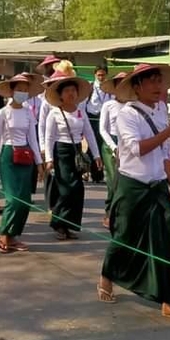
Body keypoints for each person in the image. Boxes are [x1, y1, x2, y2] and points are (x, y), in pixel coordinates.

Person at [99, 64, 170, 324]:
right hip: (132, 184)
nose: (157, 87)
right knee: (125, 237)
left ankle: (168, 300)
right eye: (151, 81)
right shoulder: (126, 114)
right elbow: (136, 149)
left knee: (166, 242)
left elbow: (164, 153)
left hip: (157, 186)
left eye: (159, 81)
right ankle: (107, 276)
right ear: (137, 86)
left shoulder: (162, 110)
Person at [43, 64, 101, 241]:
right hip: (62, 151)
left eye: (73, 91)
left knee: (78, 190)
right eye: (67, 91)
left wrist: (97, 156)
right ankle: (58, 223)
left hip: (77, 151)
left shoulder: (80, 111)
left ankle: (69, 225)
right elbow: (49, 137)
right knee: (67, 189)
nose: (71, 94)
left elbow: (90, 134)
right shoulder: (54, 113)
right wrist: (49, 158)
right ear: (60, 95)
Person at [0, 74, 44, 253]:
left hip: (26, 156)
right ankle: (4, 233)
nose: (23, 92)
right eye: (19, 89)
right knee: (12, 200)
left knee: (25, 201)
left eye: (25, 89)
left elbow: (33, 139)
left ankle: (14, 236)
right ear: (11, 91)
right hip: (8, 155)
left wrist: (39, 163)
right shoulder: (2, 113)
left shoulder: (28, 112)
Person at [98, 72, 126, 229]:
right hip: (111, 145)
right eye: (119, 84)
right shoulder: (108, 105)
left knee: (125, 181)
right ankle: (109, 213)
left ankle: (122, 213)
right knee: (112, 181)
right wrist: (113, 147)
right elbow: (102, 130)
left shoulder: (132, 105)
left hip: (127, 144)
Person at [85, 66, 111, 183]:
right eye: (99, 75)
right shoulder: (89, 87)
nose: (101, 77)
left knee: (102, 146)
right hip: (92, 119)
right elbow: (83, 103)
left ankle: (98, 175)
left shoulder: (109, 88)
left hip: (105, 119)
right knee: (92, 146)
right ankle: (87, 171)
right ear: (95, 75)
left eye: (103, 75)